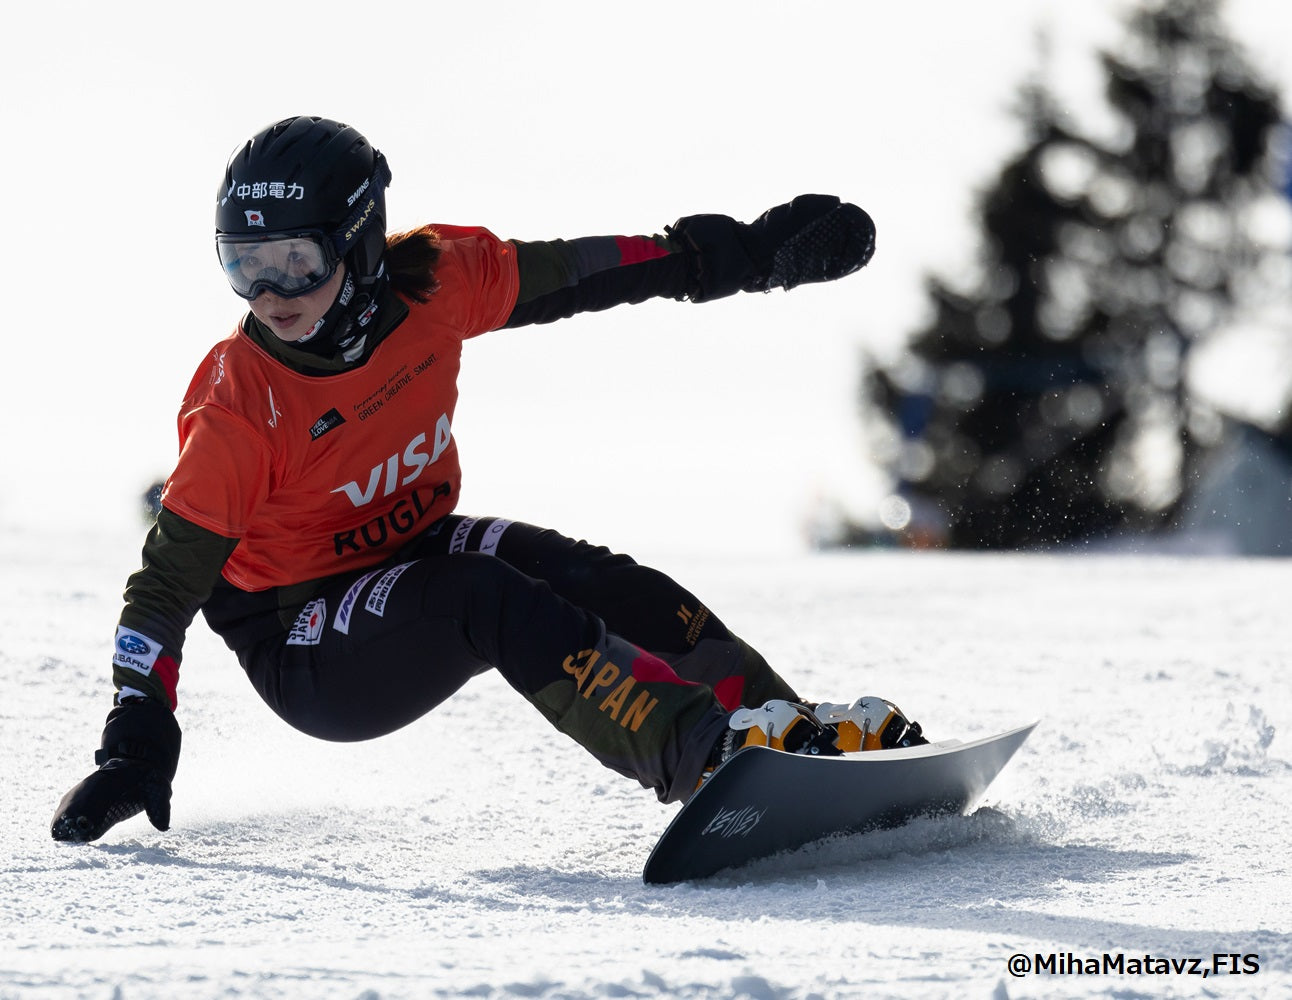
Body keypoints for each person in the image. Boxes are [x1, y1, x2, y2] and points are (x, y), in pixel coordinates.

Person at [50, 116, 925, 844]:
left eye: (296, 263)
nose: (271, 294)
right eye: (243, 266)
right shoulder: (242, 408)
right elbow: (166, 584)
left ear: (358, 246)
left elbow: (585, 272)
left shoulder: (436, 277)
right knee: (484, 596)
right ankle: (705, 759)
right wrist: (136, 733)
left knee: (592, 578)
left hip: (409, 545)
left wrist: (739, 257)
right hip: (305, 633)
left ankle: (791, 736)